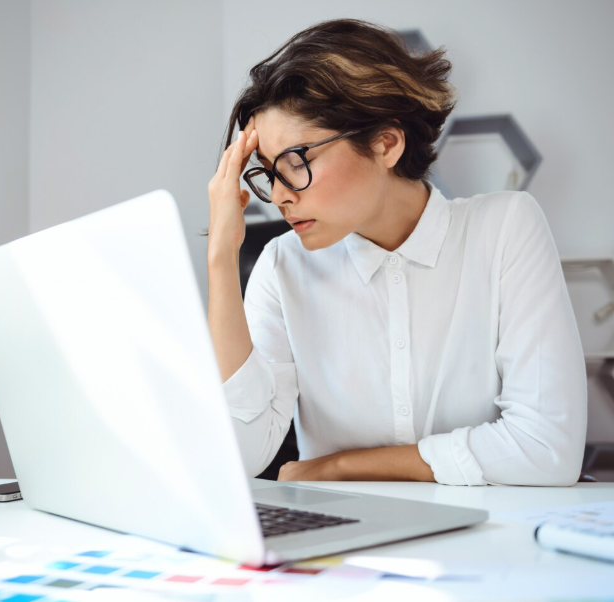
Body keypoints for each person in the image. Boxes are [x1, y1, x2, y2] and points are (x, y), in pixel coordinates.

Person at [206, 19, 587, 486]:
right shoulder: (281, 266)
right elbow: (242, 455)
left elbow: (547, 449)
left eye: (296, 161)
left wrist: (340, 465)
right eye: (268, 171)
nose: (280, 194)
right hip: (345, 529)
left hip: (491, 527)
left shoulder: (505, 228)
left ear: (386, 143)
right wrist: (221, 256)